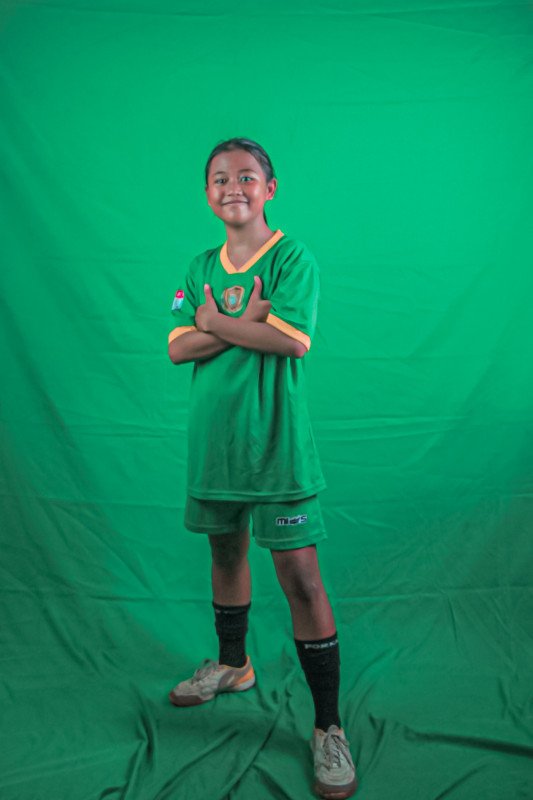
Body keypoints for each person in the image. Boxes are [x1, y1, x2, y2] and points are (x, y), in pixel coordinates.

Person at [167, 137, 358, 799]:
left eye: (247, 177)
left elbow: (289, 339)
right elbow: (177, 347)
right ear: (207, 193)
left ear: (269, 189)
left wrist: (215, 321)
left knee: (300, 576)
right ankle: (233, 664)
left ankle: (328, 725)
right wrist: (238, 321)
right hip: (216, 443)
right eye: (220, 178)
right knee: (225, 552)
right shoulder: (199, 265)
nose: (233, 188)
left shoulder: (291, 258)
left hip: (275, 443)